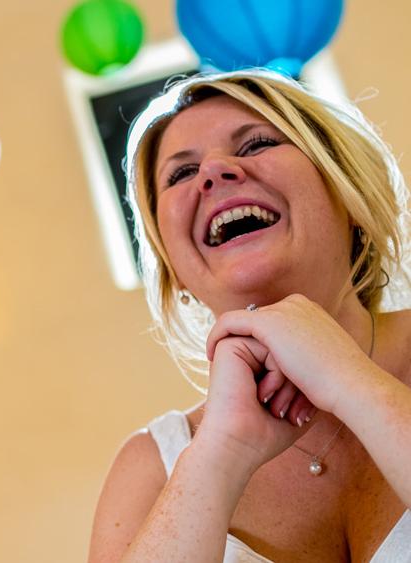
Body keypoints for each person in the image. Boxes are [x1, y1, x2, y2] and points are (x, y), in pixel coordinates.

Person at [89, 69, 411, 561]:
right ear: (177, 271)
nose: (214, 173)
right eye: (180, 174)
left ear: (347, 189)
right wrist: (222, 453)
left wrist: (351, 381)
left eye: (256, 144)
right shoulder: (151, 465)